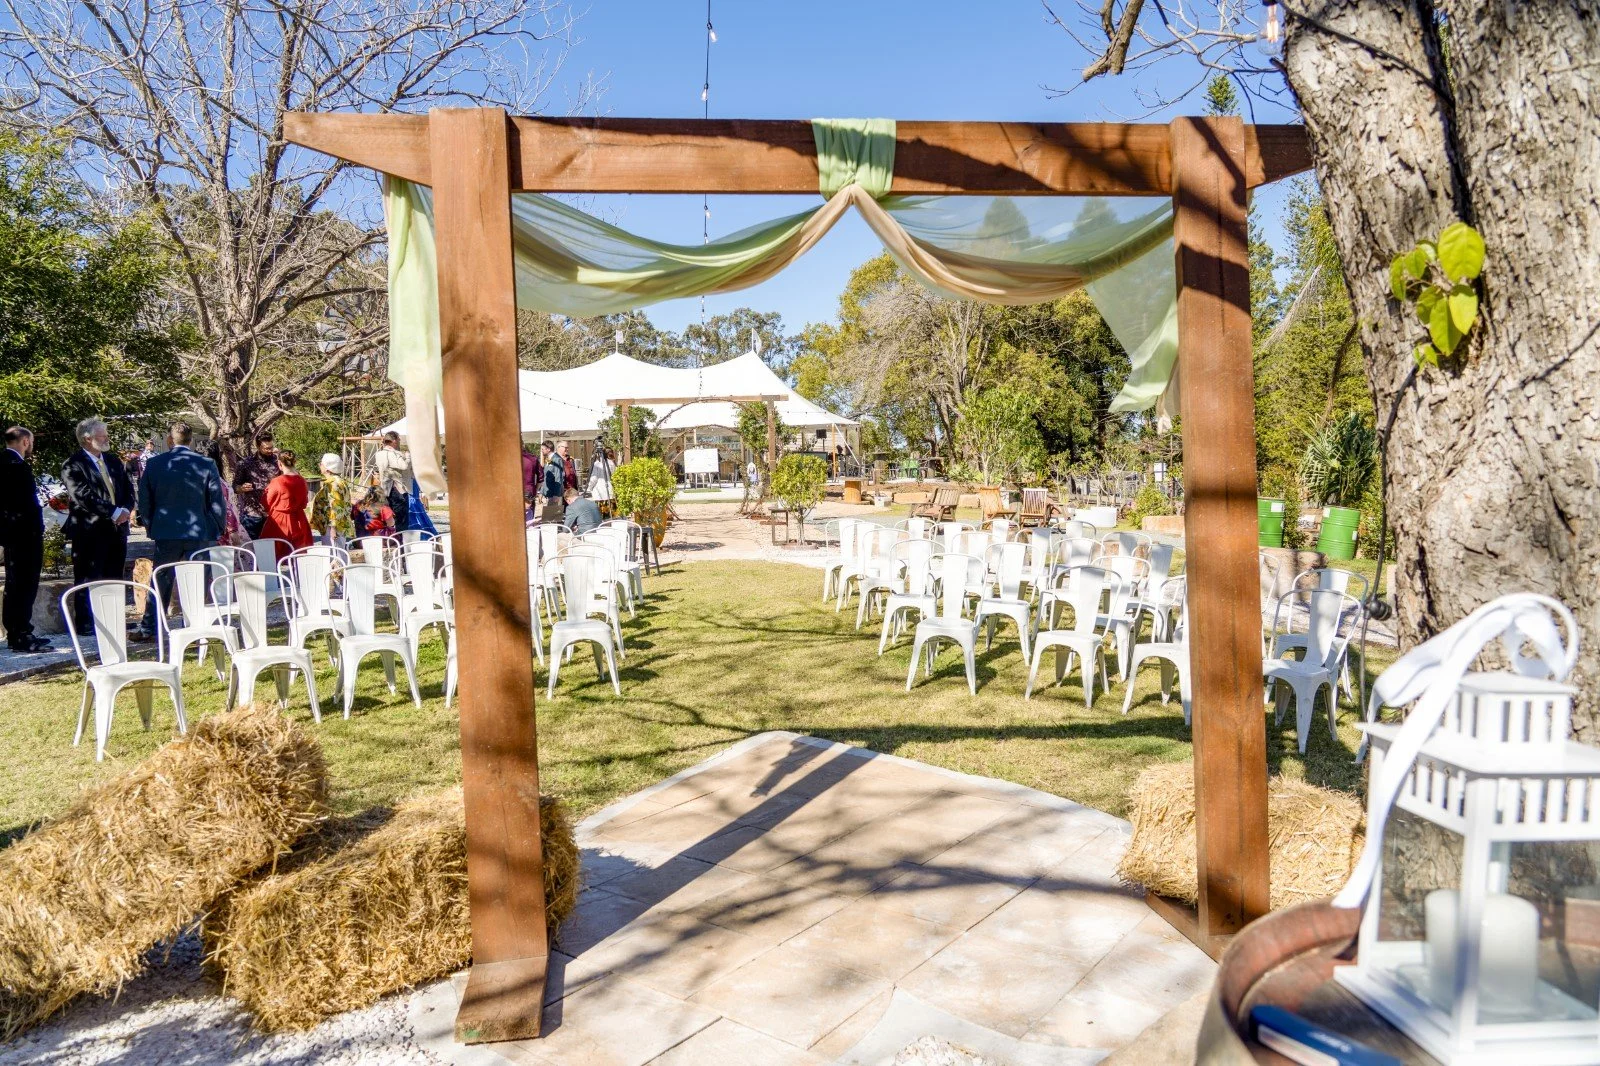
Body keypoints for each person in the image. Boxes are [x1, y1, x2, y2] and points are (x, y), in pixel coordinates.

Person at [134, 422, 226, 637]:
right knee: (198, 580)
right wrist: (217, 527)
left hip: (166, 531)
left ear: (169, 440)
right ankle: (193, 625)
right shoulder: (206, 463)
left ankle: (150, 628)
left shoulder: (155, 464)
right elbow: (216, 500)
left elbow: (145, 499)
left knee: (162, 579)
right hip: (199, 531)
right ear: (191, 440)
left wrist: (151, 525)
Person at [61, 417, 135, 631]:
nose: (107, 439)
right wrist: (112, 511)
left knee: (114, 575)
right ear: (87, 439)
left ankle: (114, 619)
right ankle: (86, 623)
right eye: (103, 435)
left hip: (117, 529)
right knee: (88, 576)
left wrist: (125, 510)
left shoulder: (112, 461)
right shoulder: (73, 464)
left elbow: (127, 489)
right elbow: (82, 496)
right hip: (90, 531)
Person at [0, 427, 50, 652]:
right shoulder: (16, 466)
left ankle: (17, 632)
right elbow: (22, 505)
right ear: (26, 441)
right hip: (23, 535)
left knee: (15, 584)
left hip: (13, 535)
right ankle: (21, 633)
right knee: (24, 585)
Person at [260, 449, 313, 550]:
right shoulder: (302, 480)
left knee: (273, 556)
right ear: (295, 462)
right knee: (298, 554)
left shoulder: (277, 481)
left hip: (279, 522)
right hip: (299, 520)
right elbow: (305, 502)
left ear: (279, 463)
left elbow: (266, 501)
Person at [232, 431, 278, 539]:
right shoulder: (245, 463)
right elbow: (235, 487)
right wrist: (241, 488)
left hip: (273, 513)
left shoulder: (278, 462)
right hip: (252, 514)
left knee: (272, 550)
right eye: (266, 448)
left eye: (271, 447)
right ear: (257, 446)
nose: (270, 451)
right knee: (251, 549)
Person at [310, 453, 355, 546]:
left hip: (332, 527)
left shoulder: (333, 484)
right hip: (334, 525)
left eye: (321, 463)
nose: (320, 465)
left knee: (335, 555)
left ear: (327, 468)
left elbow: (335, 507)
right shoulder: (339, 481)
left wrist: (333, 529)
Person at [371, 431, 413, 531]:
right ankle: (401, 542)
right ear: (394, 441)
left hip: (385, 489)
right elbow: (404, 466)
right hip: (397, 489)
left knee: (388, 517)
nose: (399, 441)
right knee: (401, 518)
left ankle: (391, 540)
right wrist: (408, 457)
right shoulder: (393, 454)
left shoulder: (379, 454)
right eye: (398, 439)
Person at [589, 447, 616, 519]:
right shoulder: (612, 463)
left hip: (600, 493)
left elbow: (594, 478)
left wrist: (590, 488)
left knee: (600, 517)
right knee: (611, 517)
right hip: (610, 492)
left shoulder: (597, 464)